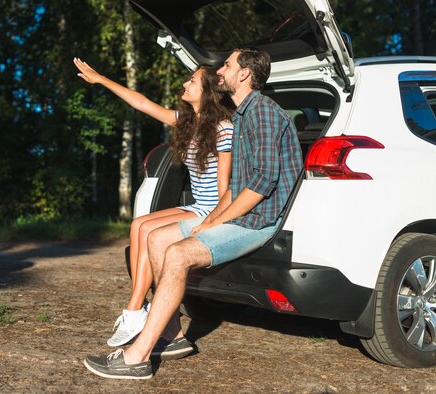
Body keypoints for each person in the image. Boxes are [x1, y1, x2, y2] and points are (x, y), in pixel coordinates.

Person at [83, 47, 304, 379]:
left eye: (227, 65)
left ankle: (136, 357)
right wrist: (212, 220)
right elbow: (234, 186)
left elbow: (261, 184)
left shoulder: (262, 113)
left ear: (244, 73)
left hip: (257, 221)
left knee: (176, 254)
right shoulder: (244, 115)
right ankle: (172, 337)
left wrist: (214, 221)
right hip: (236, 214)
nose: (220, 71)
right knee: (156, 239)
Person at [73, 58, 234, 347]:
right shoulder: (188, 122)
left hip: (213, 210)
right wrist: (102, 80)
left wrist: (212, 223)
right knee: (138, 224)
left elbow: (225, 190)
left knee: (148, 232)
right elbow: (143, 103)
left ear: (208, 91)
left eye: (192, 81)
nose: (185, 84)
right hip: (198, 206)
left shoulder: (223, 129)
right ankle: (137, 309)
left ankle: (135, 309)